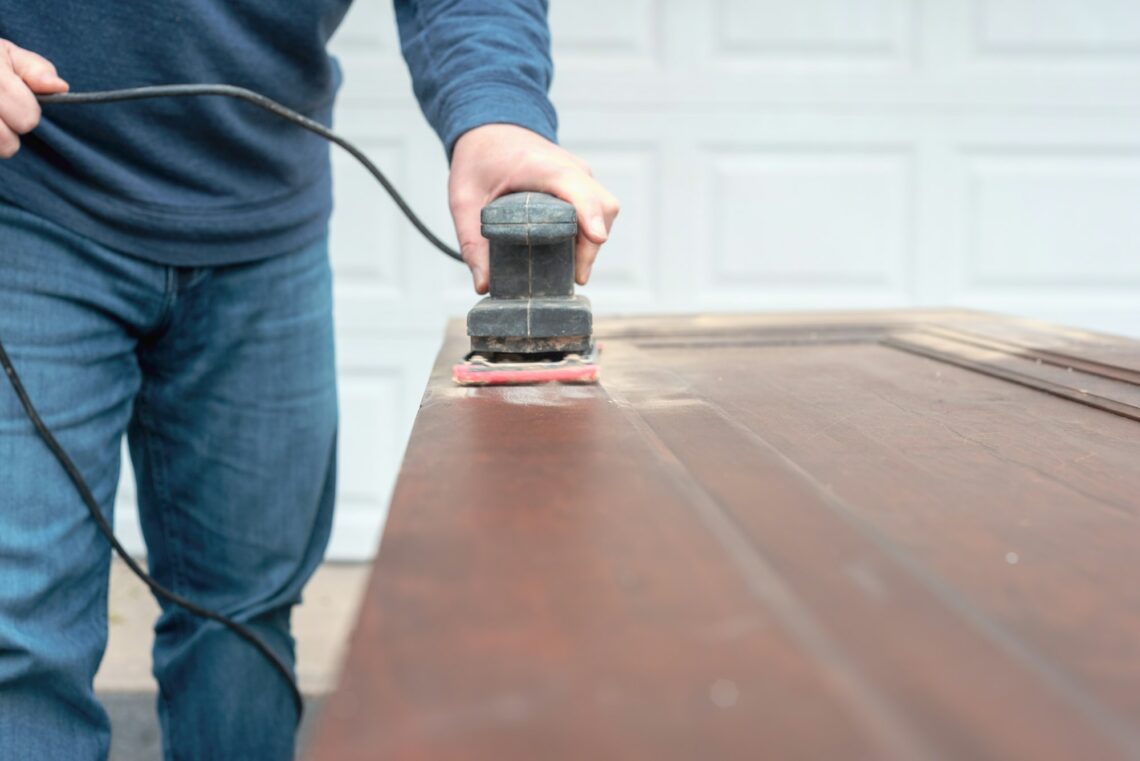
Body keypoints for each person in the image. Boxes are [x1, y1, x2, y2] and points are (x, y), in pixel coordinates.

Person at [0, 1, 619, 759]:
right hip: (30, 197)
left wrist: (498, 112)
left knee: (244, 620)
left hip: (264, 216)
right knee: (17, 638)